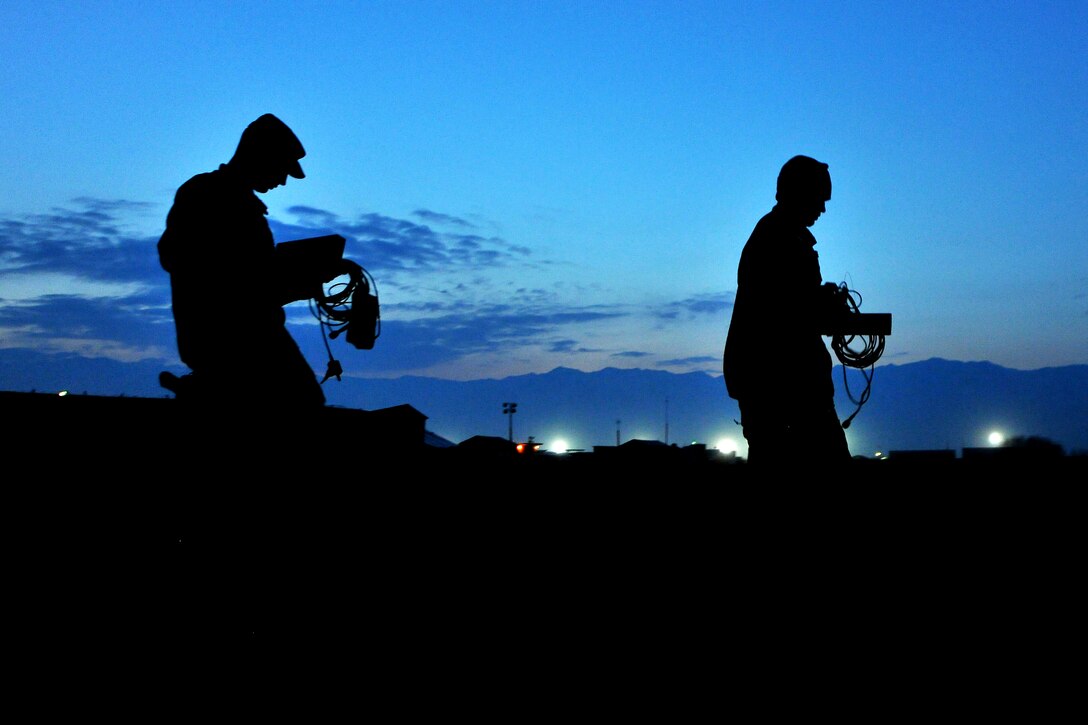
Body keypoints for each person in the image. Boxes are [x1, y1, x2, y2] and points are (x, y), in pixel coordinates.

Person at [157, 113, 327, 415]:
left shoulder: (233, 203)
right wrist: (285, 281)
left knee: (304, 401)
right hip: (237, 345)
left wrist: (295, 280)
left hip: (244, 342)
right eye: (281, 168)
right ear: (260, 156)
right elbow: (206, 271)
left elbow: (251, 281)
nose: (283, 180)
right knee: (304, 403)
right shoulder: (208, 195)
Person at [722, 155, 852, 466]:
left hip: (776, 389)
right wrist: (825, 306)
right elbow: (786, 315)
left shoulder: (778, 237)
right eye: (819, 199)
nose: (822, 209)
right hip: (785, 391)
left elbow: (790, 304)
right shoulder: (778, 241)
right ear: (800, 194)